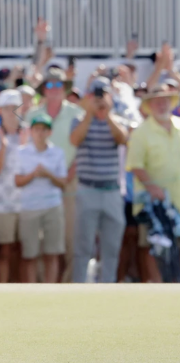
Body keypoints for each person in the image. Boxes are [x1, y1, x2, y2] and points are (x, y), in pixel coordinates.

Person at [126, 83, 180, 284]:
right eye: (157, 102)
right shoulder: (141, 132)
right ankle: (158, 287)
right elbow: (135, 165)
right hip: (152, 203)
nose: (161, 105)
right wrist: (152, 187)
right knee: (153, 247)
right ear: (149, 106)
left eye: (164, 101)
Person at [69, 78, 129, 283]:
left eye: (102, 94)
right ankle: (79, 288)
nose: (99, 99)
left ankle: (108, 288)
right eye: (95, 95)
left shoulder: (117, 120)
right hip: (88, 189)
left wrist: (107, 114)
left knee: (111, 248)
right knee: (83, 247)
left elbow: (122, 139)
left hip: (112, 191)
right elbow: (75, 140)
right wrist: (90, 113)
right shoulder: (79, 120)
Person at [28, 67, 83, 283]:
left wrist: (71, 171)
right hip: (38, 182)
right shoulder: (31, 114)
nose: (54, 88)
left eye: (58, 84)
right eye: (49, 84)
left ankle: (70, 285)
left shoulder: (77, 113)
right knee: (42, 239)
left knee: (71, 237)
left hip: (70, 181)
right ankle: (44, 286)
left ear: (64, 88)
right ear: (43, 89)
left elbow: (83, 146)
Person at [15, 113, 68, 283]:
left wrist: (48, 174)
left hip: (52, 206)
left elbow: (63, 183)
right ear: (31, 131)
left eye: (44, 129)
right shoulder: (21, 153)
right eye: (37, 129)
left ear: (49, 132)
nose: (40, 133)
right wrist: (32, 175)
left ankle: (50, 290)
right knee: (29, 255)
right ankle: (30, 291)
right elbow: (17, 181)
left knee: (52, 253)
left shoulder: (57, 153)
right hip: (28, 207)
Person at [0, 89, 24, 283]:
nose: (11, 112)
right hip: (4, 203)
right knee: (5, 251)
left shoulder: (30, 133)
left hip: (28, 201)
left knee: (25, 251)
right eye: (7, 108)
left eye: (15, 107)